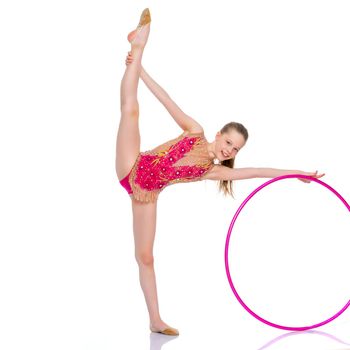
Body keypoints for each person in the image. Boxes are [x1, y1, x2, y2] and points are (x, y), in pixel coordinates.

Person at [115, 8, 325, 336]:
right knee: (131, 109)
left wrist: (297, 173)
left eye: (235, 149)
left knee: (146, 257)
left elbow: (257, 171)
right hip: (133, 164)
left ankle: (155, 320)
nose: (230, 150)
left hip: (146, 194)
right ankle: (138, 45)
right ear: (218, 135)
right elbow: (167, 100)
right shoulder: (194, 132)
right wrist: (138, 69)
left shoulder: (211, 172)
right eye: (228, 141)